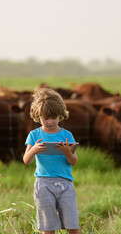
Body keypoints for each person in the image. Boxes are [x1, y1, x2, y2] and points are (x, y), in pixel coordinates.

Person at [23, 88, 80, 234]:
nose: (49, 122)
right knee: (48, 227)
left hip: (65, 184)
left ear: (60, 115)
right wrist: (34, 150)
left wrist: (67, 152)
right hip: (43, 184)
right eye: (45, 118)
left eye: (53, 118)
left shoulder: (67, 135)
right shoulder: (34, 135)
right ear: (38, 115)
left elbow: (73, 162)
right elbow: (26, 160)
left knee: (72, 225)